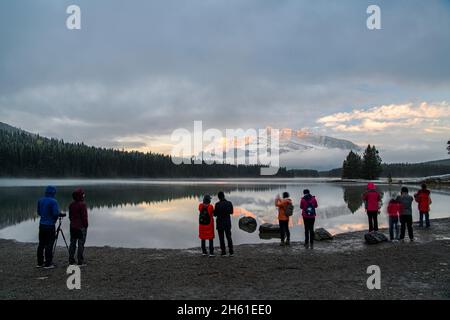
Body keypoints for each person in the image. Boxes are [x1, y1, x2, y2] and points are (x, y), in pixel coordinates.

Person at [36, 186, 61, 269]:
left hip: (42, 225)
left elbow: (39, 212)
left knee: (41, 244)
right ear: (53, 192)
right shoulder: (54, 201)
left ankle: (39, 263)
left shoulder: (40, 200)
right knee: (49, 244)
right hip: (50, 226)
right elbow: (55, 214)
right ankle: (48, 263)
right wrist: (56, 218)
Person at [69, 188, 88, 266]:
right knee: (81, 244)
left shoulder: (71, 204)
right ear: (80, 196)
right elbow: (84, 217)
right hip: (81, 227)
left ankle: (71, 260)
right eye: (83, 195)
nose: (84, 196)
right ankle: (80, 261)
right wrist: (86, 225)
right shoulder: (82, 205)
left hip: (72, 226)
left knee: (72, 243)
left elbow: (70, 216)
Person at [214, 191, 234, 257]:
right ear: (224, 196)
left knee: (221, 238)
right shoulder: (229, 203)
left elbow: (215, 214)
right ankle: (231, 252)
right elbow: (231, 212)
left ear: (218, 197)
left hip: (220, 223)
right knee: (229, 237)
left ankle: (223, 252)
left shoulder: (217, 204)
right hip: (227, 223)